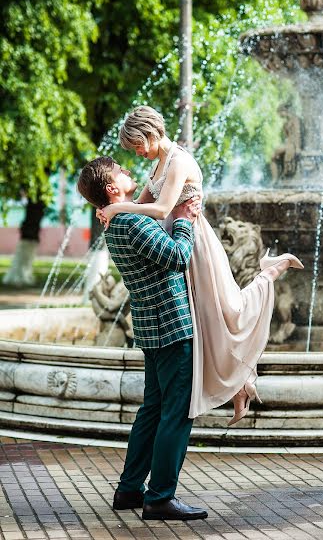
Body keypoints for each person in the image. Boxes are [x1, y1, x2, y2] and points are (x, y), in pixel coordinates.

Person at [97, 105, 304, 424]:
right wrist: (111, 209)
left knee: (226, 314)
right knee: (207, 327)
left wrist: (116, 209)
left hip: (194, 244)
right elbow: (140, 205)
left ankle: (269, 272)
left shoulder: (178, 161)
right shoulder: (158, 165)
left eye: (138, 146)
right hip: (176, 242)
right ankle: (241, 389)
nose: (138, 154)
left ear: (150, 134)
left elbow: (164, 208)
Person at [77, 157, 207, 521]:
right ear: (112, 188)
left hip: (150, 328)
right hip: (172, 327)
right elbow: (179, 257)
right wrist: (183, 222)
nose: (128, 171)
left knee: (152, 411)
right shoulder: (133, 222)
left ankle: (130, 489)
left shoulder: (117, 222)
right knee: (176, 413)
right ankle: (160, 497)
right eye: (120, 170)